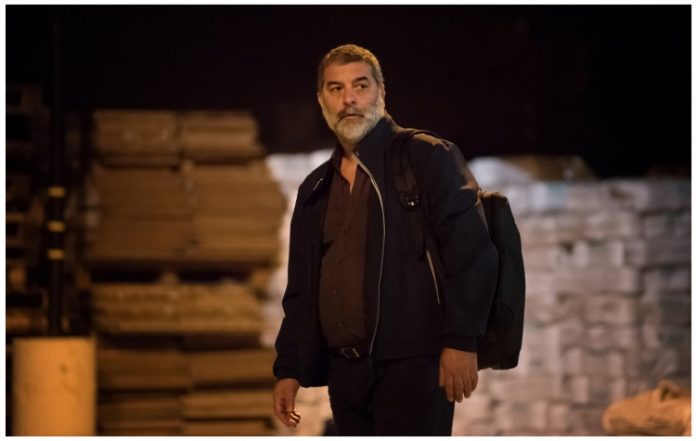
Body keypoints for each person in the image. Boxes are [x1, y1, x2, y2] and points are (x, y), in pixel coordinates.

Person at [272, 44, 498, 436]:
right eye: (336, 88)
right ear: (321, 99)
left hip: (414, 364)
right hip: (346, 373)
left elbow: (472, 252)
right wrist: (290, 368)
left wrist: (462, 340)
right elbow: (302, 288)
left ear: (381, 92)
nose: (349, 99)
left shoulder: (425, 158)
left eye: (360, 85)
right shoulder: (316, 188)